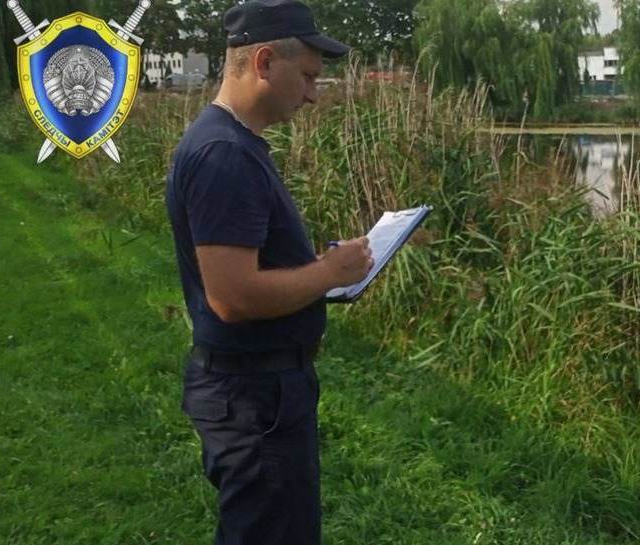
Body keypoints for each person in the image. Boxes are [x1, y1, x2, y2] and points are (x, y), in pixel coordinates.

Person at [164, 1, 370, 543]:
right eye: (307, 77)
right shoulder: (224, 154)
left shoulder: (233, 142)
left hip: (259, 392)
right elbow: (233, 296)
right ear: (263, 63)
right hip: (255, 400)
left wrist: (322, 269)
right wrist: (329, 273)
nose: (312, 94)